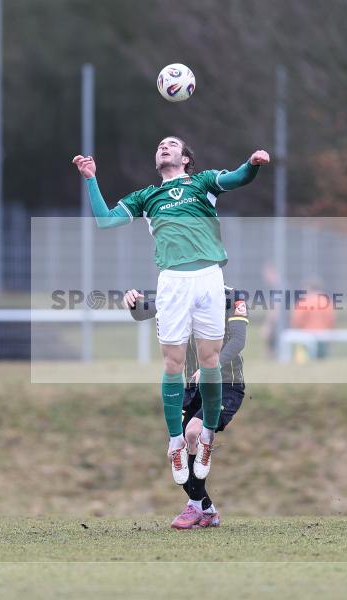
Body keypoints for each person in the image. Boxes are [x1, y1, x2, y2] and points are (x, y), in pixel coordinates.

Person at [72, 137, 268, 486]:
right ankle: (177, 441)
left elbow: (238, 178)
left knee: (209, 362)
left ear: (186, 158)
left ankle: (206, 436)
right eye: (160, 145)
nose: (164, 147)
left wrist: (252, 164)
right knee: (173, 364)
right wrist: (90, 178)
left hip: (209, 276)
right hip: (172, 281)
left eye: (172, 144)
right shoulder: (147, 196)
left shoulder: (203, 182)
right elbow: (105, 221)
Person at [125, 287, 248, 529]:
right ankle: (207, 509)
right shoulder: (178, 289)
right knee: (177, 450)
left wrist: (211, 367)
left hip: (225, 385)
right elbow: (142, 313)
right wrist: (132, 303)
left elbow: (239, 339)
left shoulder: (232, 296)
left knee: (193, 432)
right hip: (191, 388)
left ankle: (194, 506)